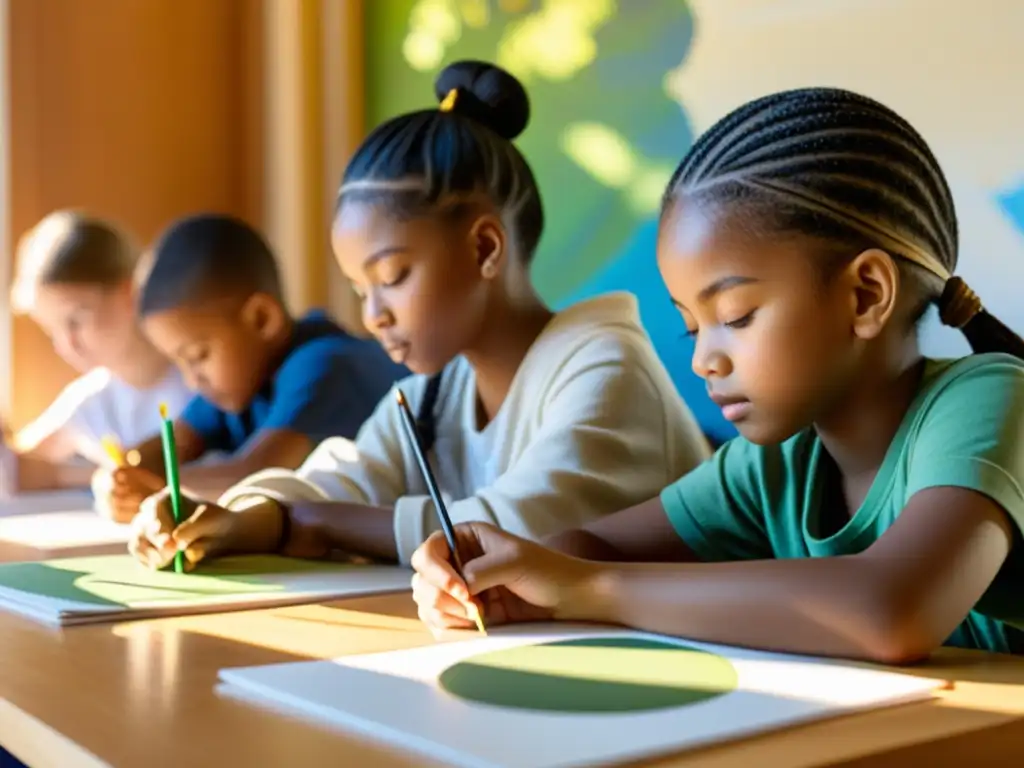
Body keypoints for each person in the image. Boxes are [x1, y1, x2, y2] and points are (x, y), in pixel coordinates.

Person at [410, 87, 1024, 662]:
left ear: (865, 296)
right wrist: (504, 578)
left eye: (735, 315)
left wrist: (588, 588)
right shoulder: (775, 464)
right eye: (691, 326)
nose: (704, 358)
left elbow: (893, 608)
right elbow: (588, 547)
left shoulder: (991, 396)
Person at [125, 60, 711, 569]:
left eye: (392, 277)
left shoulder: (604, 364)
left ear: (484, 248)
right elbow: (345, 479)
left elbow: (517, 529)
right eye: (360, 290)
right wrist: (239, 517)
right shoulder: (437, 392)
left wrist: (310, 521)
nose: (375, 315)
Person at [93, 213, 407, 521]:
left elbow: (257, 476)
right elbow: (170, 447)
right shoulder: (238, 383)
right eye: (179, 363)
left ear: (261, 319)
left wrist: (155, 490)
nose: (191, 380)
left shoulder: (325, 366)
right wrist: (119, 476)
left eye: (198, 355)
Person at [1, 210, 190, 492]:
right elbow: (18, 466)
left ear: (130, 293)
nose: (66, 345)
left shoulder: (198, 378)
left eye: (75, 321)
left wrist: (67, 475)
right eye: (52, 331)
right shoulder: (91, 398)